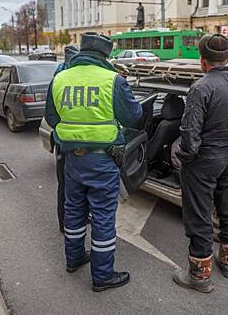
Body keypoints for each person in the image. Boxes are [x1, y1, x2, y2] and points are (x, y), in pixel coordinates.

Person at [51, 32, 142, 292]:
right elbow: (134, 117)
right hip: (102, 161)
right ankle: (102, 276)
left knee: (73, 210)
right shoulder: (113, 80)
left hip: (71, 159)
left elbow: (51, 115)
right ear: (106, 54)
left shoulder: (60, 78)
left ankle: (74, 258)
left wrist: (74, 134)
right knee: (102, 216)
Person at [173, 34, 228, 293]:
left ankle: (199, 276)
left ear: (202, 60)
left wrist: (186, 157)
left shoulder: (201, 88)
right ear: (227, 58)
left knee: (199, 215)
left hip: (204, 161)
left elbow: (189, 133)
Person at [45, 45, 80, 233]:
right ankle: (65, 223)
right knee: (69, 187)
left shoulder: (59, 76)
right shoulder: (64, 78)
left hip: (63, 143)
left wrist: (61, 130)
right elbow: (50, 114)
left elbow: (50, 115)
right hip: (68, 145)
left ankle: (67, 223)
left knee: (67, 187)